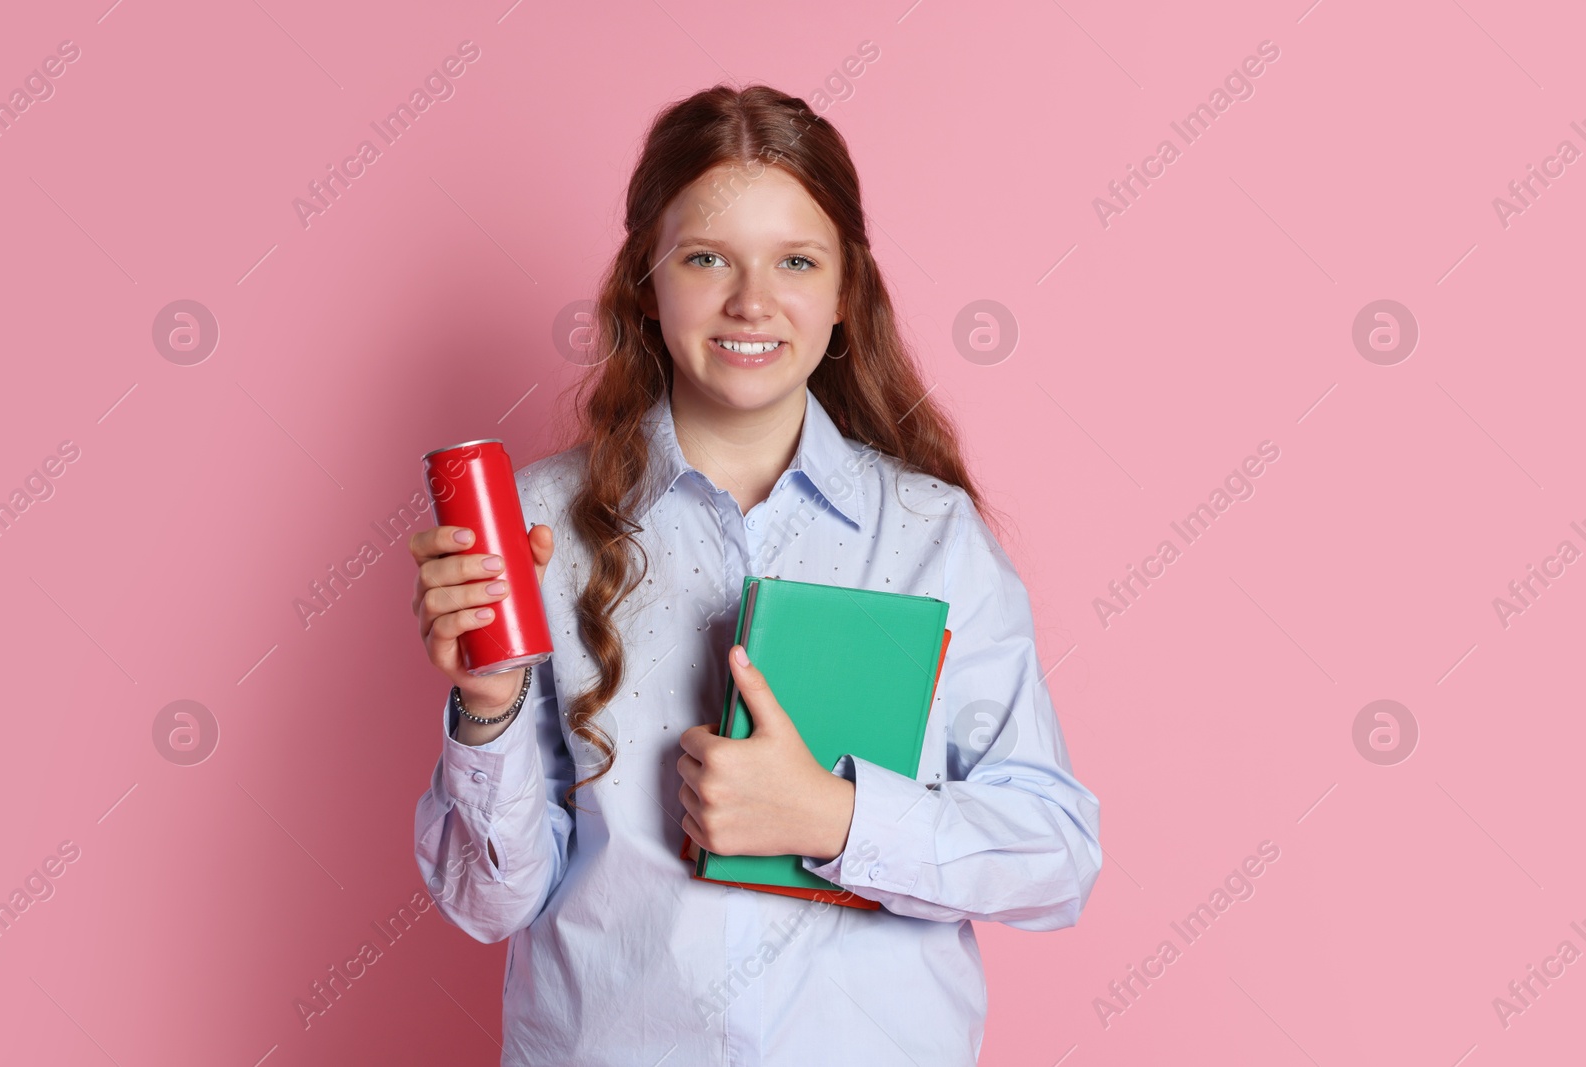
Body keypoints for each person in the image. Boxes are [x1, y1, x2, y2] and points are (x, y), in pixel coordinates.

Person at [409, 83, 1102, 1067]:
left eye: (795, 260)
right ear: (647, 282)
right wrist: (486, 702)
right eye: (705, 258)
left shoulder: (932, 537)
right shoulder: (536, 525)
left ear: (842, 294)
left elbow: (1054, 855)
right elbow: (491, 901)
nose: (751, 301)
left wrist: (834, 816)